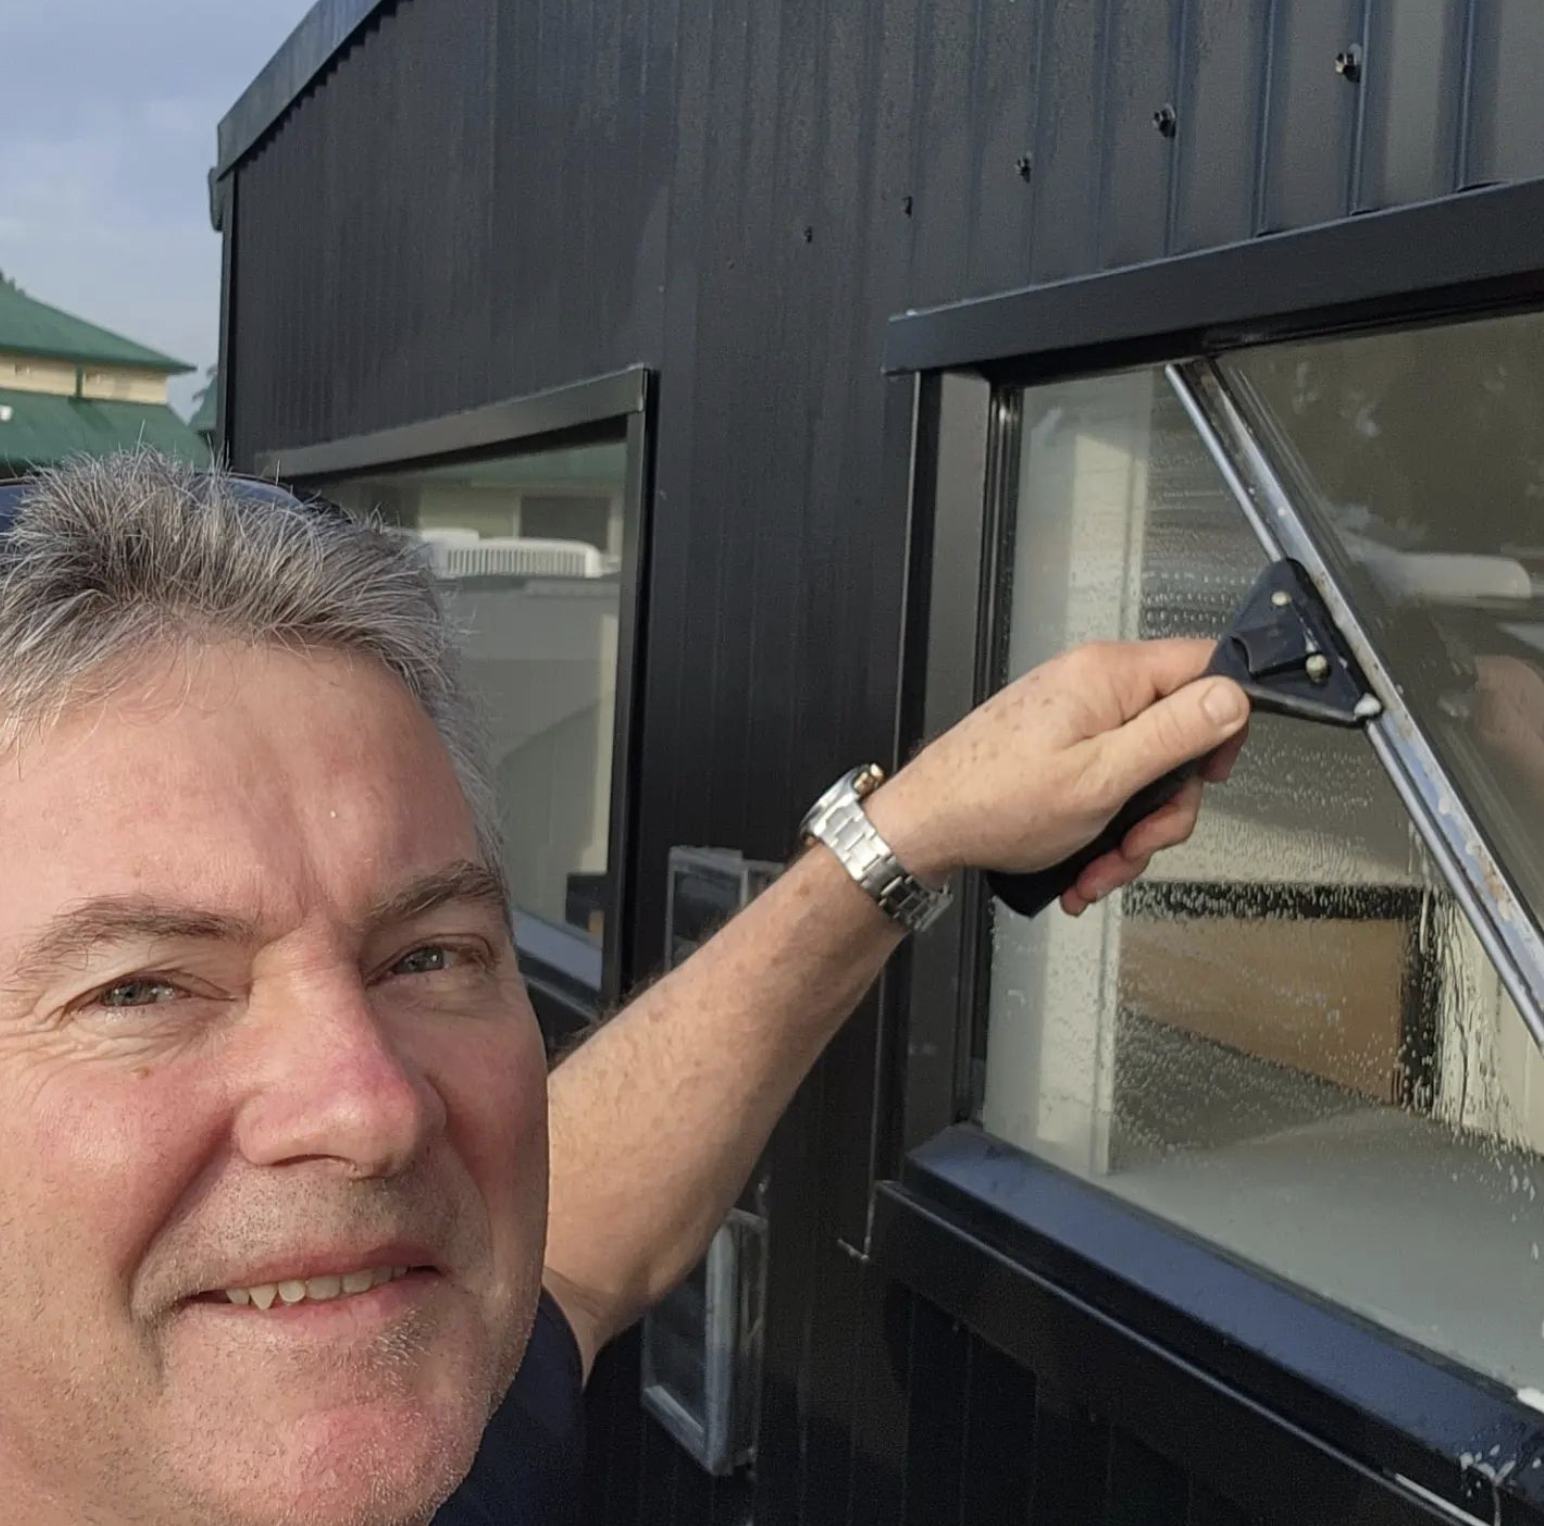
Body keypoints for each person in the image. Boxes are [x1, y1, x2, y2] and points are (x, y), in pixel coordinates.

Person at [0, 452, 1250, 1526]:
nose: (371, 1108)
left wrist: (916, 827)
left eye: (426, 955)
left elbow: (587, 1221)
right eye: (140, 989)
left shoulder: (435, 1423)